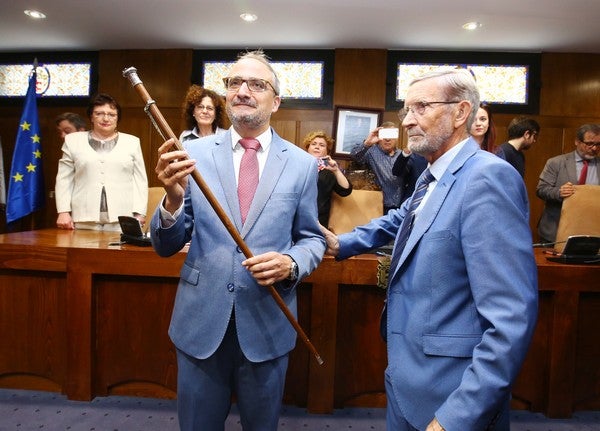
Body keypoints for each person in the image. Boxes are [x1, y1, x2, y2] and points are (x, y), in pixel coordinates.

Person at [320, 69, 538, 431]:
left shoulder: (487, 177)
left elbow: (510, 318)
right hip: (407, 382)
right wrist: (342, 242)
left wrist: (457, 418)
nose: (407, 121)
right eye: (407, 109)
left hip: (451, 397)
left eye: (421, 107)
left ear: (461, 112)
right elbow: (400, 219)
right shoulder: (432, 174)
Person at [149, 50, 325, 431]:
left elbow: (312, 239)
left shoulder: (301, 164)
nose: (243, 90)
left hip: (267, 321)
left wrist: (292, 263)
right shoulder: (190, 154)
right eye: (234, 83)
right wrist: (173, 200)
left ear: (275, 101)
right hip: (200, 323)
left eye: (257, 84)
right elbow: (165, 246)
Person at [55, 93, 148, 231]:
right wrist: (63, 211)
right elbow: (64, 179)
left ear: (117, 118)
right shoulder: (73, 141)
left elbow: (140, 180)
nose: (106, 118)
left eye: (111, 114)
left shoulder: (132, 142)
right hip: (83, 217)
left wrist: (140, 212)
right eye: (99, 113)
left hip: (122, 217)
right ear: (91, 116)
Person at [536, 123, 600, 243]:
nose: (594, 148)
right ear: (577, 141)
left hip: (592, 230)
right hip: (556, 229)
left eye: (598, 144)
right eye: (589, 144)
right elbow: (541, 190)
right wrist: (559, 192)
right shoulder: (556, 163)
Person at [350, 121, 403, 213]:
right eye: (384, 135)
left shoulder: (402, 155)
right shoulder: (371, 151)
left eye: (391, 135)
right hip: (378, 206)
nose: (387, 138)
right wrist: (367, 143)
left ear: (396, 137)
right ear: (379, 137)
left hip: (401, 208)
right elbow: (354, 155)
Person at [302, 130, 352, 227]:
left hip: (318, 220)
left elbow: (346, 191)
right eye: (314, 144)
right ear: (308, 148)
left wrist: (336, 170)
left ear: (327, 151)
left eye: (322, 145)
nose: (317, 147)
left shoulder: (330, 170)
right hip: (294, 216)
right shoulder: (297, 164)